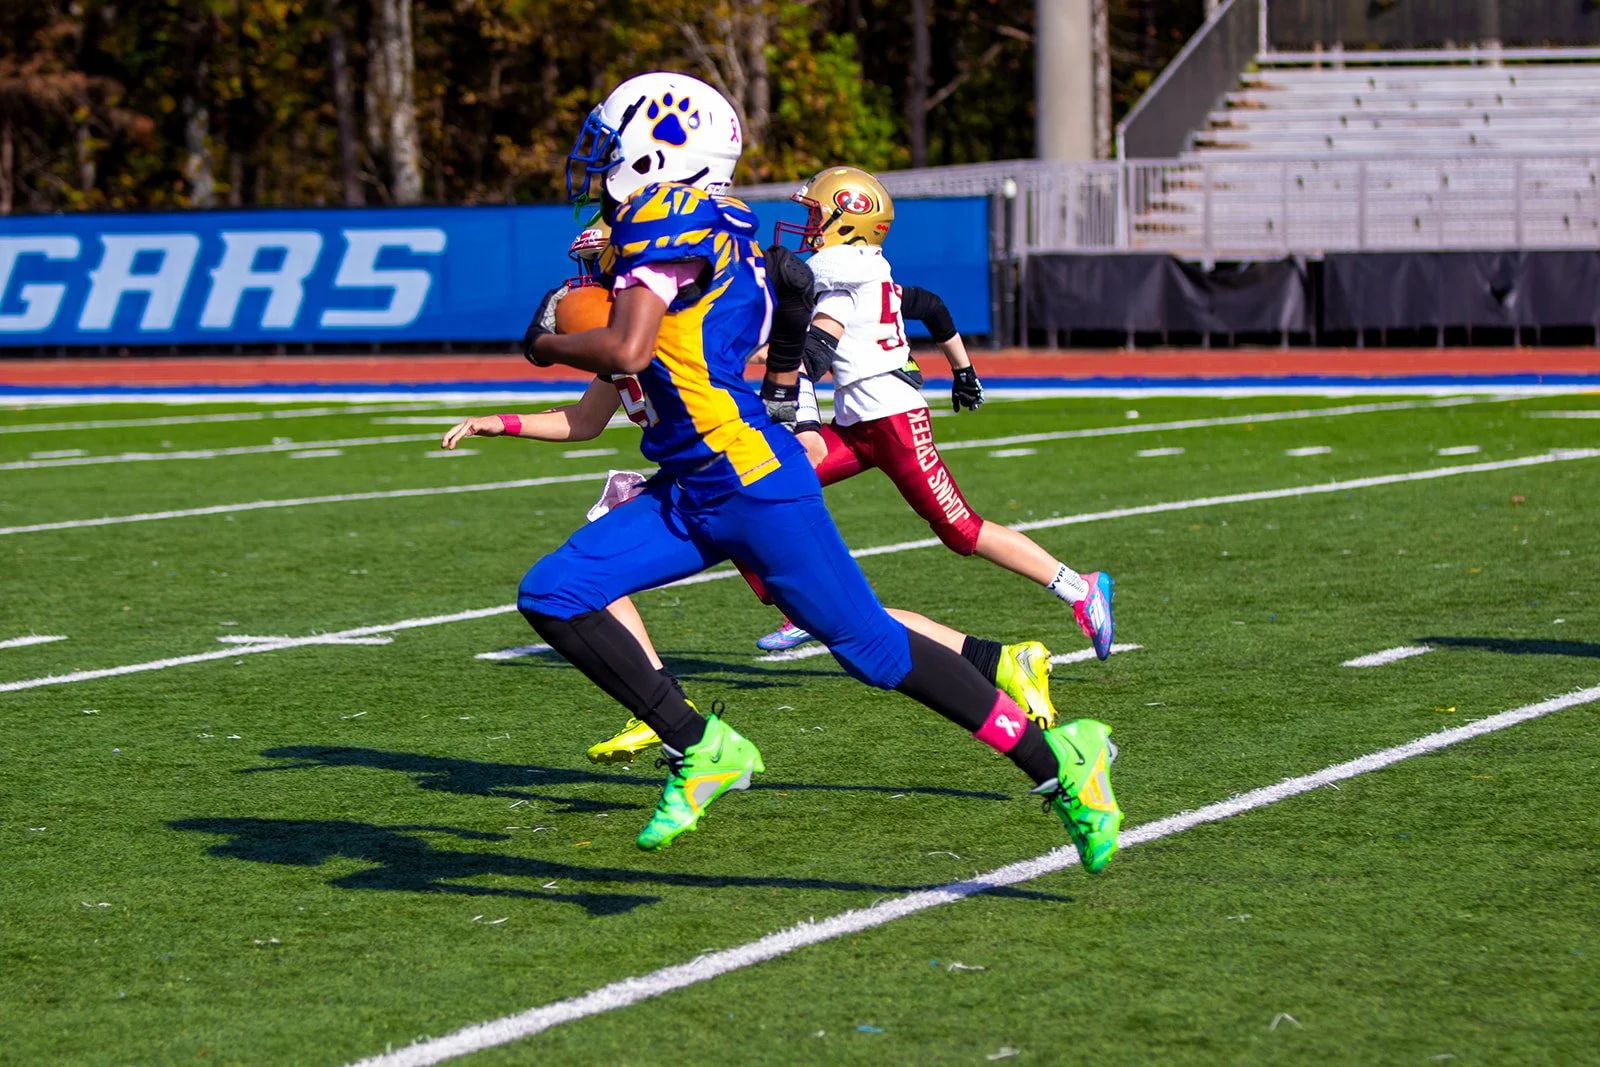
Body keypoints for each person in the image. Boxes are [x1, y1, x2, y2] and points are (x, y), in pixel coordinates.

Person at [512, 71, 1121, 871]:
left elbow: (627, 349)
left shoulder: (670, 215)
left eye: (613, 144)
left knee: (871, 648)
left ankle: (1061, 757)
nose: (598, 163)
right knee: (553, 590)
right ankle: (704, 745)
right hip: (695, 485)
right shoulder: (718, 223)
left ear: (665, 154)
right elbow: (784, 304)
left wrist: (548, 342)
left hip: (751, 483)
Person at [445, 222, 1068, 763]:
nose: (585, 285)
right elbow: (584, 421)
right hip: (701, 491)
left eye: (597, 268)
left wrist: (787, 416)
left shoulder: (676, 329)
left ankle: (998, 668)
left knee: (854, 633)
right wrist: (501, 422)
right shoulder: (625, 346)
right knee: (579, 579)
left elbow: (772, 355)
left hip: (747, 484)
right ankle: (663, 710)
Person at [754, 167, 1115, 662]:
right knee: (763, 485)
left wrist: (796, 400)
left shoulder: (844, 278)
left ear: (848, 219)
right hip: (859, 426)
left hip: (896, 425)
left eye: (815, 214)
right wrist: (963, 370)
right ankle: (808, 605)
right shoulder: (863, 272)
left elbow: (810, 355)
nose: (807, 225)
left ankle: (1080, 587)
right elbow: (930, 306)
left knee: (962, 531)